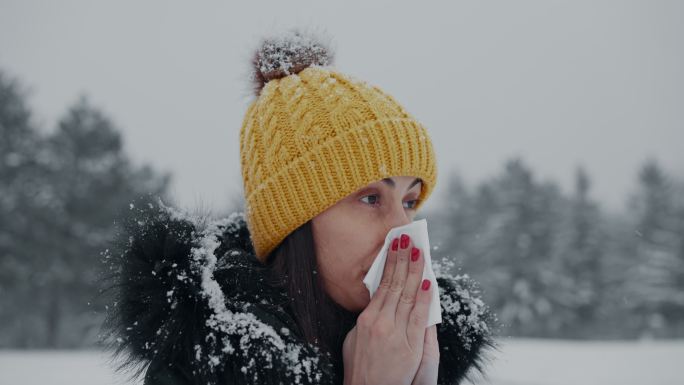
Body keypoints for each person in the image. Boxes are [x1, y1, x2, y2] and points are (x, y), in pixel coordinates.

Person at [103, 28, 495, 385]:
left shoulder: (426, 352)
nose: (402, 228)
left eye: (410, 201)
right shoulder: (203, 366)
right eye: (371, 197)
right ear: (294, 221)